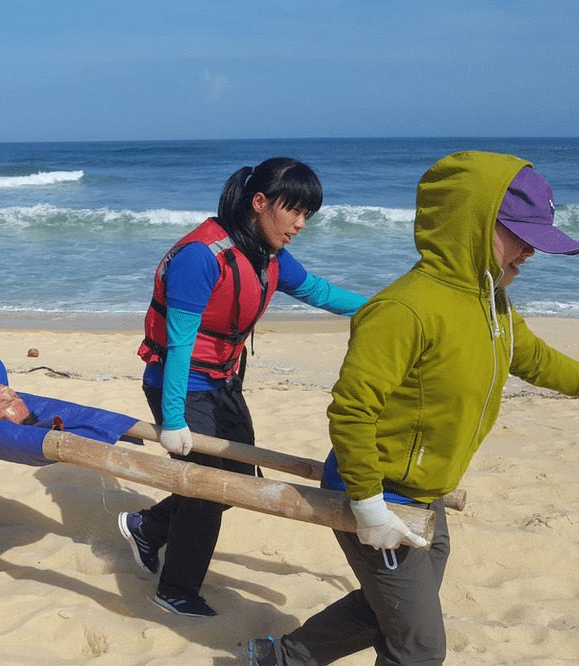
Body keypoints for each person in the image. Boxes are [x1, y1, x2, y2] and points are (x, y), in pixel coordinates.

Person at [246, 152, 579, 665]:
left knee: (390, 613)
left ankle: (279, 658)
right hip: (379, 490)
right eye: (520, 234)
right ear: (474, 222)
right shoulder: (404, 310)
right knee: (420, 647)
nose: (531, 251)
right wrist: (369, 505)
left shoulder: (491, 303)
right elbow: (352, 410)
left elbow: (533, 358)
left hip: (427, 494)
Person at [118, 158, 368, 617]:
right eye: (294, 211)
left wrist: (384, 307)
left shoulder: (264, 254)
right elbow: (179, 344)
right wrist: (172, 420)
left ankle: (147, 526)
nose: (300, 224)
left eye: (307, 215)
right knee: (206, 494)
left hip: (223, 383)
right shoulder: (201, 256)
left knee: (236, 481)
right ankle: (175, 591)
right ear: (260, 203)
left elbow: (318, 291)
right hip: (181, 386)